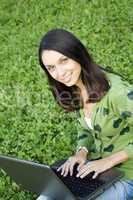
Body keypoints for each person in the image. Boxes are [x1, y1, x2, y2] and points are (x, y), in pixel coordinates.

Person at [38, 28, 133, 200]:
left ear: (78, 54)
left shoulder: (117, 92)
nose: (60, 73)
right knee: (47, 197)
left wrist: (108, 161)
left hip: (128, 175)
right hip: (98, 168)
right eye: (51, 67)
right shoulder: (74, 88)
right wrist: (81, 153)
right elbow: (87, 129)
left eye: (64, 60)